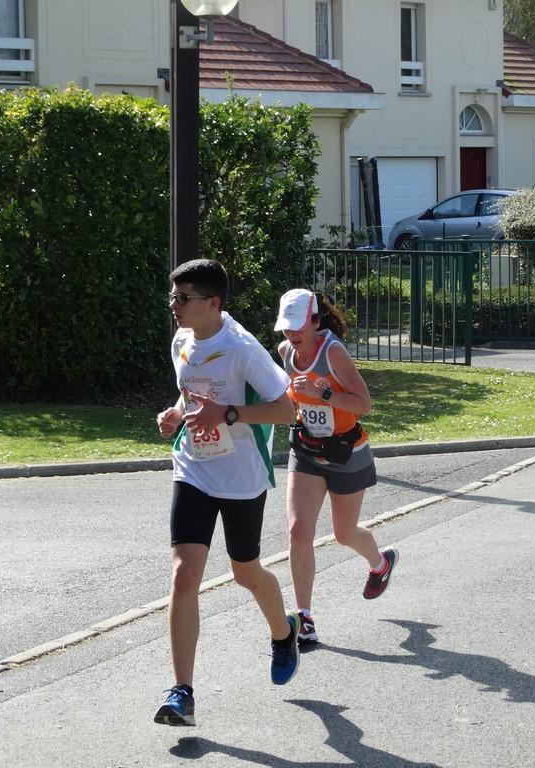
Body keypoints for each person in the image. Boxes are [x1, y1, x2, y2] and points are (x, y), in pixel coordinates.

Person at [153, 259, 301, 727]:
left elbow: (286, 410)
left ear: (213, 303)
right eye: (172, 298)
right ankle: (182, 692)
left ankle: (283, 634)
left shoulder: (242, 349)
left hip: (241, 477)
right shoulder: (182, 339)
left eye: (183, 299)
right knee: (184, 574)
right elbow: (191, 394)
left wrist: (230, 415)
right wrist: (176, 414)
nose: (174, 307)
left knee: (245, 572)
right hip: (194, 469)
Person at [275, 288, 398, 648]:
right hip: (308, 451)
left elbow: (364, 404)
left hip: (346, 453)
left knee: (344, 534)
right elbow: (286, 399)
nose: (292, 335)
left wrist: (323, 395)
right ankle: (305, 617)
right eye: (286, 328)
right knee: (299, 531)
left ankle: (380, 563)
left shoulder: (333, 352)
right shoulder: (285, 353)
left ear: (315, 320)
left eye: (298, 326)